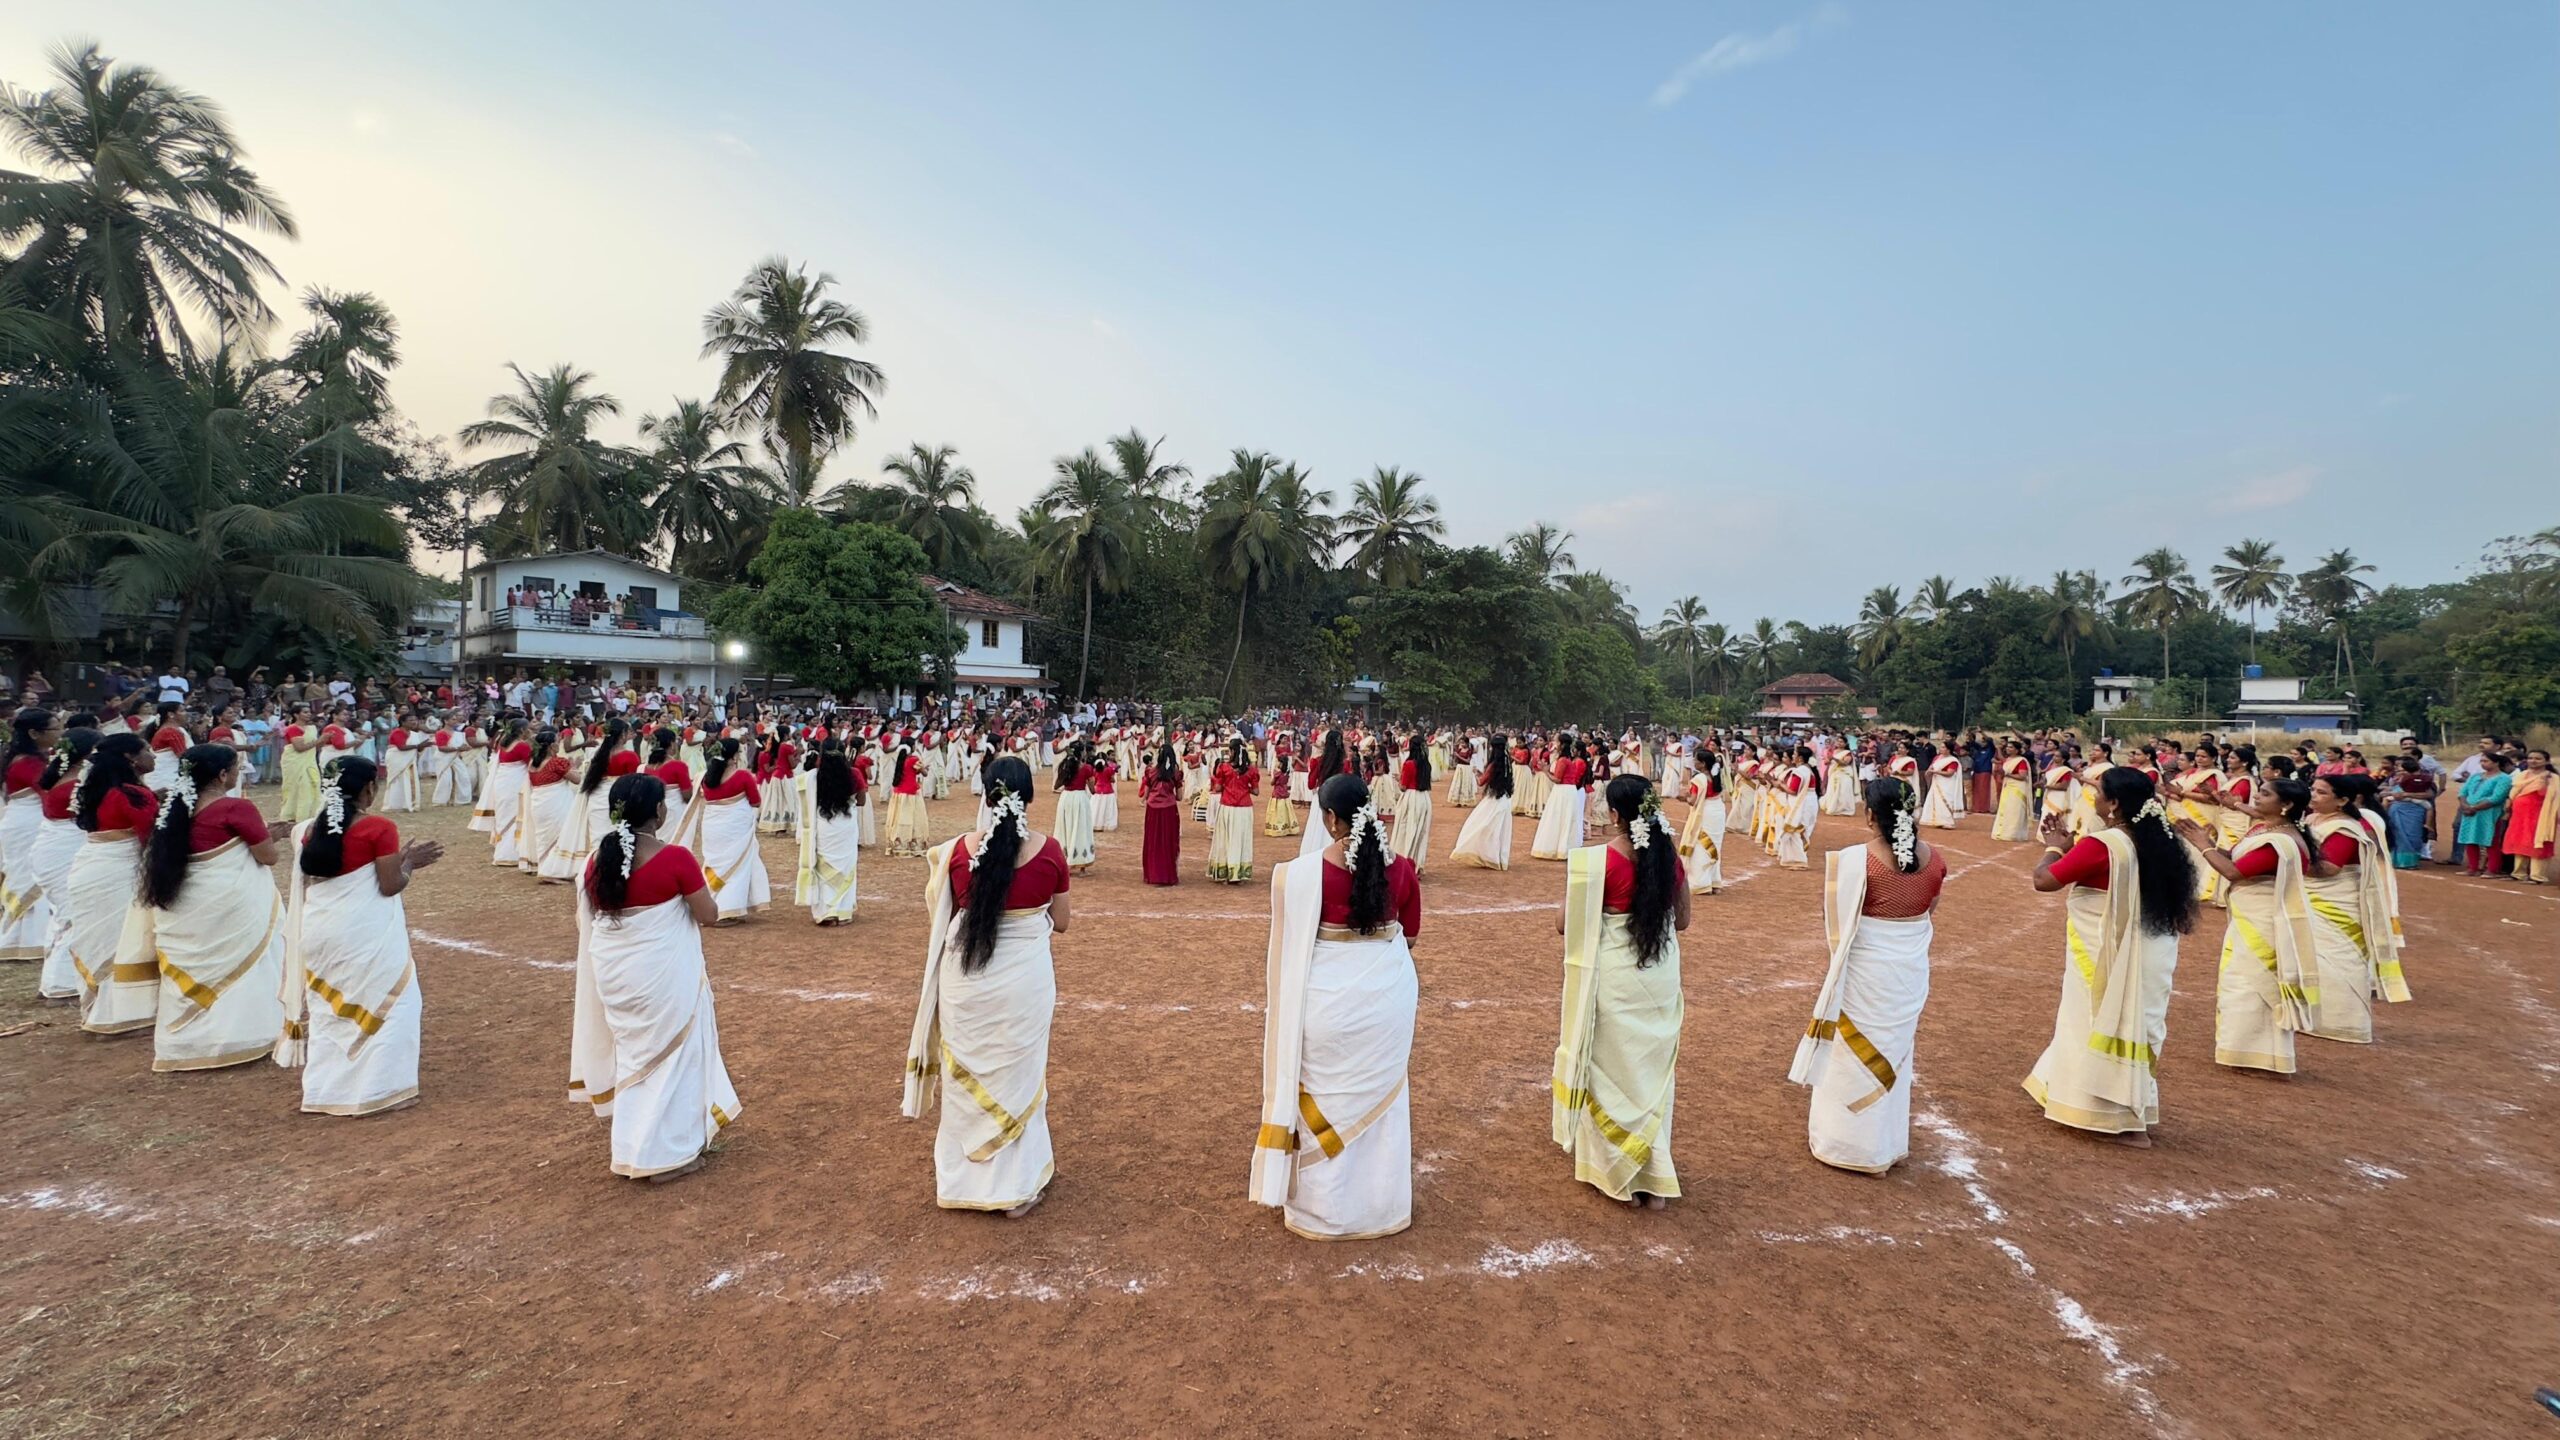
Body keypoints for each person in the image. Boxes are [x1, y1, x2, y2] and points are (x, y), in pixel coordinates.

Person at [1251, 774, 1422, 1241]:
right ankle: (1380, 1207)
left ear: (1329, 818)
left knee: (1326, 1096)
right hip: (1387, 1003)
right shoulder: (1403, 869)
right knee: (1380, 1107)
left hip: (1326, 1006)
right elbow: (1408, 936)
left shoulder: (1298, 876)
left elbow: (1289, 948)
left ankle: (1323, 1212)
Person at [899, 757, 1069, 1216]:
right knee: (1020, 1074)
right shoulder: (1050, 852)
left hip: (965, 981)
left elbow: (942, 912)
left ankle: (963, 1181)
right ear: (1029, 798)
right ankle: (1015, 1185)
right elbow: (1064, 922)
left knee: (966, 1074)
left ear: (984, 795)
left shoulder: (955, 853)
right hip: (1024, 983)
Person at [2023, 768, 2197, 1145]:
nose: (2094, 797)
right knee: (2135, 1021)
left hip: (2105, 953)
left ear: (2114, 803)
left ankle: (2110, 1115)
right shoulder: (2163, 841)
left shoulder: (2103, 845)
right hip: (2151, 952)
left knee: (2094, 1017)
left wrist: (2053, 847)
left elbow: (2045, 881)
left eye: (2098, 791)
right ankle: (2103, 1103)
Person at [579, 776, 739, 1180]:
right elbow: (709, 915)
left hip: (615, 976)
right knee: (674, 1055)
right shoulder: (676, 859)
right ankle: (664, 1156)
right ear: (659, 812)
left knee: (635, 1056)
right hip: (662, 977)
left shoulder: (596, 860)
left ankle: (632, 1148)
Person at [1552, 777, 1688, 1207]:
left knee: (1612, 1070)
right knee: (1650, 1075)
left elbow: (1563, 924)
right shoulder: (1670, 860)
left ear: (1614, 815)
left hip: (1616, 979)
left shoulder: (1600, 863)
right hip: (1659, 976)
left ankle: (1618, 1175)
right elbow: (1681, 921)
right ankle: (1654, 1175)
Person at [1794, 777, 1941, 1173]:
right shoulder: (1934, 859)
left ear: (1870, 815)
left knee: (1849, 1050)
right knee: (1895, 1049)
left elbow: (1837, 924)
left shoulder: (1857, 860)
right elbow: (1929, 910)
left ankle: (1846, 1145)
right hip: (1907, 973)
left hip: (1865, 971)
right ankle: (1883, 1144)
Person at [281, 756, 441, 1114]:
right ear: (369, 788)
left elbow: (339, 870)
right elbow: (389, 885)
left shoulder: (310, 831)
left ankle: (325, 1092)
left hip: (320, 931)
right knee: (394, 1004)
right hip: (363, 933)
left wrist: (395, 858)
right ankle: (379, 1089)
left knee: (327, 1011)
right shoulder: (379, 827)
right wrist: (410, 862)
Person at [139, 743, 287, 1072]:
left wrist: (262, 836)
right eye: (236, 767)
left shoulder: (172, 810)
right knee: (247, 966)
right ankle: (245, 1037)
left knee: (191, 973)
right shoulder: (235, 808)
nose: (239, 773)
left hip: (185, 908)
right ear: (222, 775)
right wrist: (269, 837)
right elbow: (268, 857)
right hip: (229, 907)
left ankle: (184, 1044)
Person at [2174, 778, 2320, 1075]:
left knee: (2251, 984)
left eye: (2265, 794)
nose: (2257, 797)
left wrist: (2202, 846)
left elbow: (2235, 872)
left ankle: (2263, 1057)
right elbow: (2238, 858)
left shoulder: (2281, 840)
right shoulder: (2264, 830)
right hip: (2248, 917)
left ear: (2287, 805)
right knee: (2238, 982)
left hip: (2263, 921)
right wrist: (2209, 844)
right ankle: (2244, 1050)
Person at [1, 708, 61, 961]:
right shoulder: (29, 763)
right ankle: (25, 939)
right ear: (35, 733)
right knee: (30, 876)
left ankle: (25, 938)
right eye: (55, 729)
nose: (60, 733)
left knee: (27, 874)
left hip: (21, 820)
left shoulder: (27, 758)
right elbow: (48, 793)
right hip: (29, 823)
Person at [695, 738, 771, 921]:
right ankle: (728, 908)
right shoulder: (742, 776)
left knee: (714, 862)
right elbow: (756, 801)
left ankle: (712, 903)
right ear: (734, 756)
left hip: (712, 826)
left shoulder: (706, 777)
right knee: (736, 866)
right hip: (735, 827)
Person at [798, 745, 861, 925]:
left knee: (822, 866)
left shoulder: (813, 777)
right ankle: (842, 912)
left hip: (823, 823)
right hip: (845, 824)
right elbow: (862, 800)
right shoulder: (853, 774)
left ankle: (825, 912)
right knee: (846, 865)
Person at [1449, 733, 1516, 870]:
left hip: (1493, 799)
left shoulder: (1494, 764)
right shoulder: (1507, 762)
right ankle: (1497, 858)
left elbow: (1481, 782)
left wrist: (1476, 773)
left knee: (1479, 825)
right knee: (1499, 830)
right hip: (1504, 798)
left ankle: (1486, 855)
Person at [516, 729, 575, 878]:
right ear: (551, 746)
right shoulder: (557, 762)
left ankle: (545, 868)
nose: (559, 744)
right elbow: (577, 779)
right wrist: (574, 765)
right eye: (557, 741)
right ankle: (551, 871)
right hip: (555, 804)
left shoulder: (533, 764)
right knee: (560, 834)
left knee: (543, 837)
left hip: (539, 804)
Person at [1208, 738, 1259, 884]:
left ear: (1231, 751)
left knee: (1226, 839)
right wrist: (1244, 788)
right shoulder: (1251, 770)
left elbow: (1217, 788)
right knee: (1241, 840)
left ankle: (1226, 873)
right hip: (1244, 808)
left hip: (1228, 806)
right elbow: (1256, 791)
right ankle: (1239, 874)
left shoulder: (1224, 768)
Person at [1674, 745, 1724, 894]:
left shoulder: (1698, 779)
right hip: (1718, 811)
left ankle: (1701, 883)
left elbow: (1693, 801)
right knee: (1714, 845)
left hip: (1705, 813)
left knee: (1700, 847)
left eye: (1696, 760)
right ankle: (1714, 882)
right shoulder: (1715, 775)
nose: (1694, 762)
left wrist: (1683, 797)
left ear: (1702, 764)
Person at [1530, 738, 1589, 861]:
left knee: (1557, 817)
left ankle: (1555, 848)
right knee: (1566, 819)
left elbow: (1557, 779)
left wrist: (1545, 771)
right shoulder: (1568, 760)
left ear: (1561, 745)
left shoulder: (1563, 760)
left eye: (1557, 742)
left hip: (1562, 791)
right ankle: (1565, 848)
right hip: (1569, 791)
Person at [2501, 749, 2554, 884]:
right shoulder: (2522, 775)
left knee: (2537, 843)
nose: (2533, 761)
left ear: (2546, 761)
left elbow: (2552, 797)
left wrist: (2543, 783)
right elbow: (2514, 792)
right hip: (2520, 815)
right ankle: (2518, 873)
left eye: (2538, 758)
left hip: (2540, 815)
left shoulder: (2551, 778)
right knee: (2520, 841)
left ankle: (2537, 876)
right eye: (2530, 758)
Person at [2455, 753, 2512, 876]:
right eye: (2481, 761)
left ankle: (2492, 869)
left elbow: (2497, 797)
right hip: (2469, 812)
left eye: (2486, 761)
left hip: (2489, 812)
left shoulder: (2504, 778)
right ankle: (2472, 868)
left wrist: (2474, 808)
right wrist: (2464, 805)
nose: (2482, 763)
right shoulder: (2475, 776)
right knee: (2470, 839)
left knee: (2490, 840)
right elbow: (2462, 792)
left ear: (2496, 763)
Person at [1388, 734, 1435, 872]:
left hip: (1411, 798)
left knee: (1406, 829)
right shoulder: (1427, 764)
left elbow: (1403, 787)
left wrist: (1399, 779)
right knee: (1420, 831)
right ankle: (1416, 863)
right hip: (1424, 798)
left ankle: (1404, 862)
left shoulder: (1409, 764)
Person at [1140, 744, 1183, 886]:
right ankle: (1168, 874)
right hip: (1169, 809)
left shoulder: (1151, 772)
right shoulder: (1175, 773)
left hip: (1153, 809)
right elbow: (1180, 797)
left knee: (1153, 841)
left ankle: (1153, 874)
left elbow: (1145, 795)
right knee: (1168, 841)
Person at [1052, 741, 1098, 872]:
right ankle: (1080, 863)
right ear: (1082, 752)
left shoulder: (1064, 766)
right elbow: (1092, 789)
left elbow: (1056, 785)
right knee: (1080, 828)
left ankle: (1063, 859)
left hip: (1066, 797)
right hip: (1079, 798)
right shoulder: (1086, 768)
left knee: (1065, 827)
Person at [1989, 741, 2035, 842]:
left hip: (2017, 788)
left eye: (2011, 747)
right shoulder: (2009, 759)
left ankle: (2013, 834)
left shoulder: (2021, 761)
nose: (2008, 749)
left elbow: (2022, 776)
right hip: (2008, 786)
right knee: (2006, 809)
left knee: (2015, 810)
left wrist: (2007, 774)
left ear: (2017, 750)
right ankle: (2003, 832)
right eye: (2007, 747)